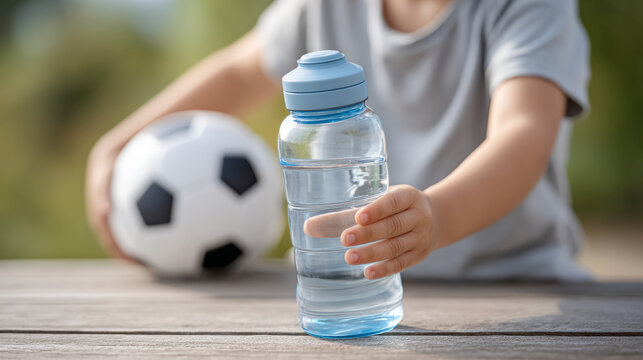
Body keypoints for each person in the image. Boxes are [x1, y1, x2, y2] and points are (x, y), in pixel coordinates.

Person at [86, 0, 591, 281]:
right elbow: (239, 73)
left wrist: (435, 218)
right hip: (346, 286)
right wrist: (117, 144)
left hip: (511, 285)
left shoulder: (531, 8)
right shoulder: (322, 6)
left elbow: (523, 133)